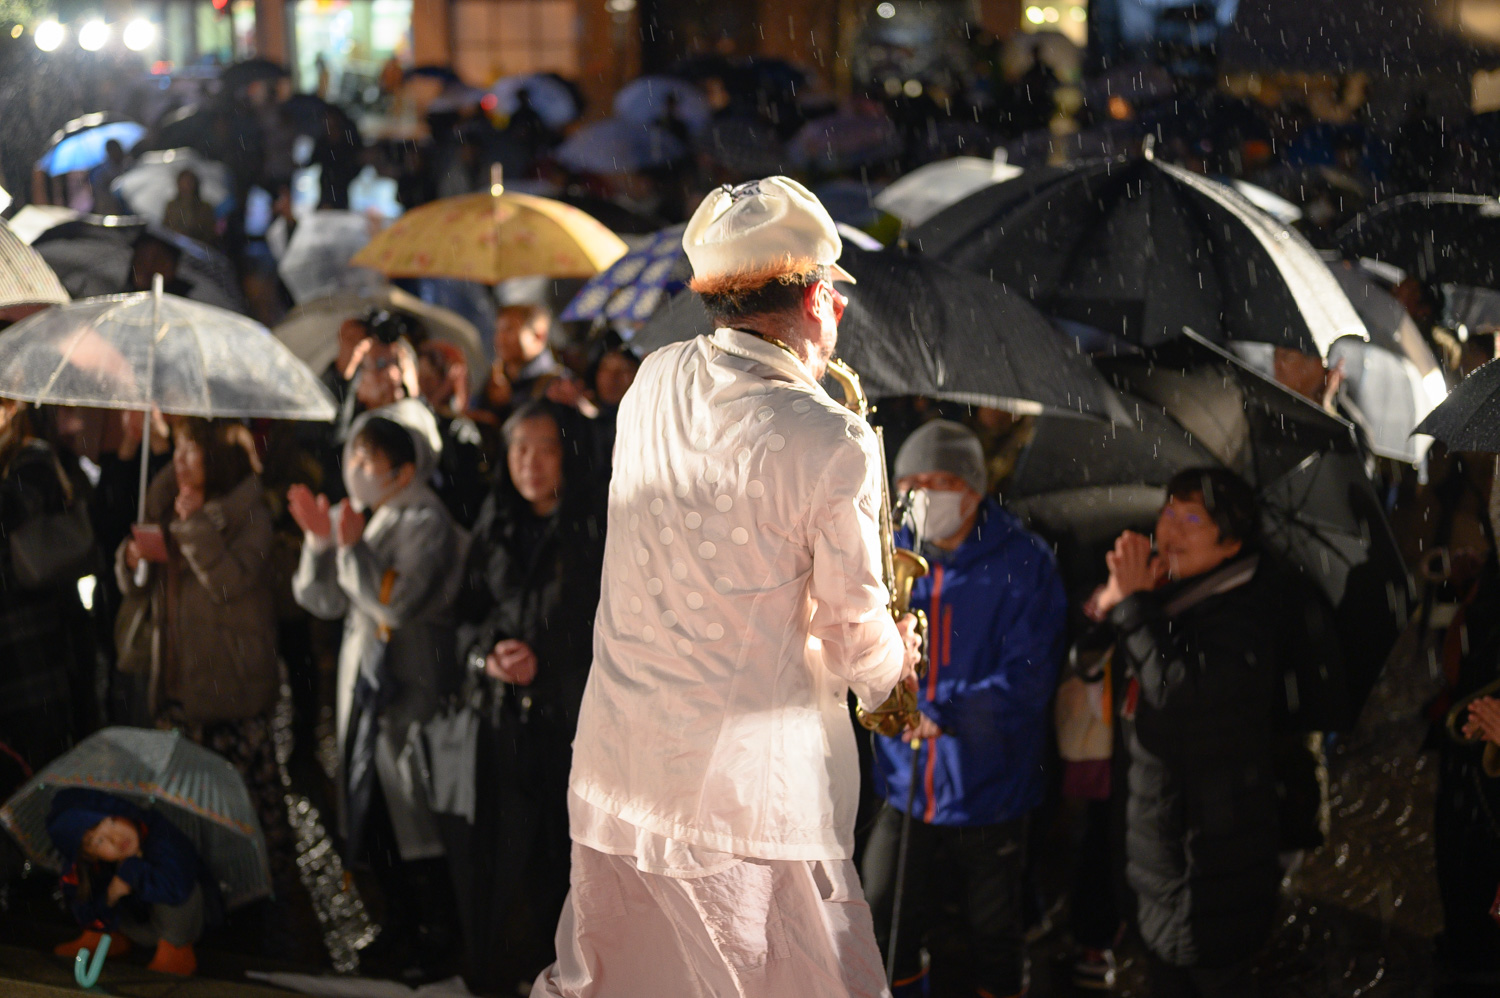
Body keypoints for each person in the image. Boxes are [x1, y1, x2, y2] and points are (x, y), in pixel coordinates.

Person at [533, 177, 921, 998]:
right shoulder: (832, 437)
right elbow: (855, 630)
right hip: (745, 801)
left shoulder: (652, 381)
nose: (839, 314)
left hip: (619, 764)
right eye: (835, 294)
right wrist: (898, 679)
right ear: (817, 298)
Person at [862, 419, 1067, 998]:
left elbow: (1030, 679)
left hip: (988, 786)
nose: (924, 493)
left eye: (942, 479)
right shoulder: (888, 557)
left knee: (994, 931)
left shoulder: (1023, 563)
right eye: (912, 480)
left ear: (973, 488)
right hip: (904, 782)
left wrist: (944, 711)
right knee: (886, 921)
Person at [289, 399, 465, 978]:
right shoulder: (373, 514)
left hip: (409, 690)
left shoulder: (425, 521)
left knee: (414, 817)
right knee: (375, 814)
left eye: (370, 456)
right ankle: (397, 924)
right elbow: (323, 601)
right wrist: (320, 547)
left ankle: (437, 936)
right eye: (353, 453)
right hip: (363, 691)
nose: (356, 466)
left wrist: (349, 547)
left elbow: (392, 598)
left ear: (404, 470)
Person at [1092, 468, 1281, 998]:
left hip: (1210, 862)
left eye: (1192, 517)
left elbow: (1177, 690)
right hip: (1162, 846)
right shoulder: (1176, 594)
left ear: (1232, 542)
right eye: (1168, 511)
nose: (1170, 527)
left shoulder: (1245, 615)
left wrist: (1133, 606)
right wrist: (1117, 600)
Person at [448, 399, 605, 992]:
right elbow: (465, 617)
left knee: (565, 864)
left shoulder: (595, 528)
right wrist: (487, 656)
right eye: (519, 448)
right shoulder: (495, 522)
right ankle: (502, 971)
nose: (531, 463)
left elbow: (605, 625)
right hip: (502, 723)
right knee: (499, 855)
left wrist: (549, 657)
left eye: (545, 449)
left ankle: (567, 976)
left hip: (572, 725)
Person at [116, 419, 286, 865]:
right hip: (175, 670)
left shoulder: (250, 511)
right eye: (177, 451)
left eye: (191, 452)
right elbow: (141, 588)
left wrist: (194, 529)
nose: (179, 462)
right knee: (184, 806)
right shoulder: (164, 500)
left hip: (230, 676)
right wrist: (133, 560)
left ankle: (253, 887)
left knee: (240, 804)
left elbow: (230, 586)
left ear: (218, 458)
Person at [0, 398, 94, 772]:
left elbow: (7, 511)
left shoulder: (34, 457)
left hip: (31, 637)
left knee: (41, 758)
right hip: (15, 639)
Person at [48, 789, 206, 976]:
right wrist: (110, 895)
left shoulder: (162, 834)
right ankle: (107, 939)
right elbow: (81, 904)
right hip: (141, 929)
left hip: (179, 927)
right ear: (90, 855)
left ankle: (175, 951)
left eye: (113, 821)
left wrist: (132, 869)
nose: (116, 839)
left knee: (173, 885)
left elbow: (177, 888)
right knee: (96, 887)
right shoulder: (98, 864)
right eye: (99, 841)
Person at [483, 304, 567, 418]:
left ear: (538, 336)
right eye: (498, 330)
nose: (499, 339)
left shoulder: (558, 383)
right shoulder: (496, 377)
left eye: (509, 330)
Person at [162, 169, 219, 248]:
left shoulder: (205, 208)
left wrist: (193, 235)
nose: (186, 185)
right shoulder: (171, 206)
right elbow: (165, 228)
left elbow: (210, 232)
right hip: (175, 247)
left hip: (198, 249)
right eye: (183, 182)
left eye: (189, 182)